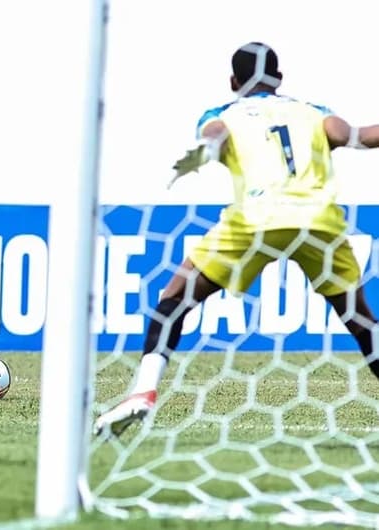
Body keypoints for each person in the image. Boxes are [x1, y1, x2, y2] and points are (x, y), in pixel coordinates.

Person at [96, 42, 379, 436]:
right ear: (279, 79)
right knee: (363, 323)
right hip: (318, 221)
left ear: (233, 81)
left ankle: (143, 392)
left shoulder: (224, 114)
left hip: (256, 219)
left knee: (174, 298)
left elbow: (214, 137)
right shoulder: (313, 113)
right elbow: (360, 137)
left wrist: (202, 152)